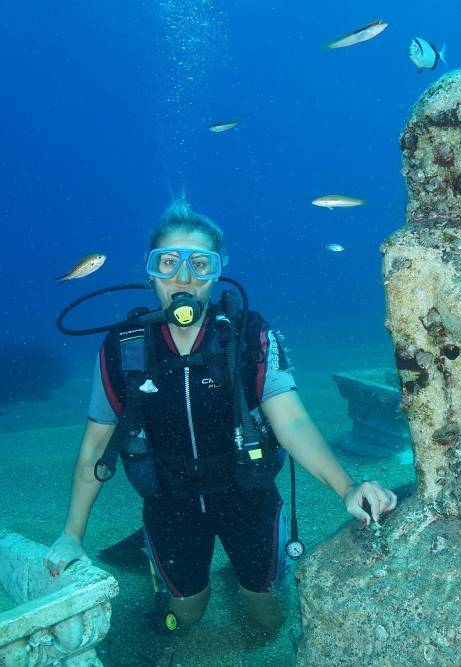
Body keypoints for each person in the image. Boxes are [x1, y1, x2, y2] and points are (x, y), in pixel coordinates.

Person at [44, 198, 397, 632]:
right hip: (169, 500)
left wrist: (347, 486)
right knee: (184, 615)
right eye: (169, 262)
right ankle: (159, 568)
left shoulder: (249, 336)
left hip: (247, 494)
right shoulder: (123, 347)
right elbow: (95, 448)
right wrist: (71, 535)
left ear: (218, 271)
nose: (185, 279)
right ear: (150, 271)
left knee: (266, 615)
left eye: (201, 265)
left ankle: (238, 578)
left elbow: (292, 423)